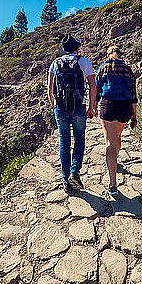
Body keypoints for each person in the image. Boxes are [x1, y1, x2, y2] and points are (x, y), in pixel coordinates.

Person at [48, 35, 97, 194]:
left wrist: (54, 104)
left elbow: (50, 88)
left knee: (64, 142)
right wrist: (92, 106)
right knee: (79, 138)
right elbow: (92, 86)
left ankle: (65, 180)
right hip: (79, 106)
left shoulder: (55, 63)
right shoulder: (84, 61)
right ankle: (75, 172)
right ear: (76, 48)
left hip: (60, 107)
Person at [94, 45, 137, 197]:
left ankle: (113, 184)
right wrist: (134, 116)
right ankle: (115, 162)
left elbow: (97, 89)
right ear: (120, 54)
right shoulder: (127, 69)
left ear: (108, 55)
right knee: (117, 136)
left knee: (110, 142)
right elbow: (133, 95)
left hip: (109, 106)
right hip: (125, 108)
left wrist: (93, 105)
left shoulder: (103, 67)